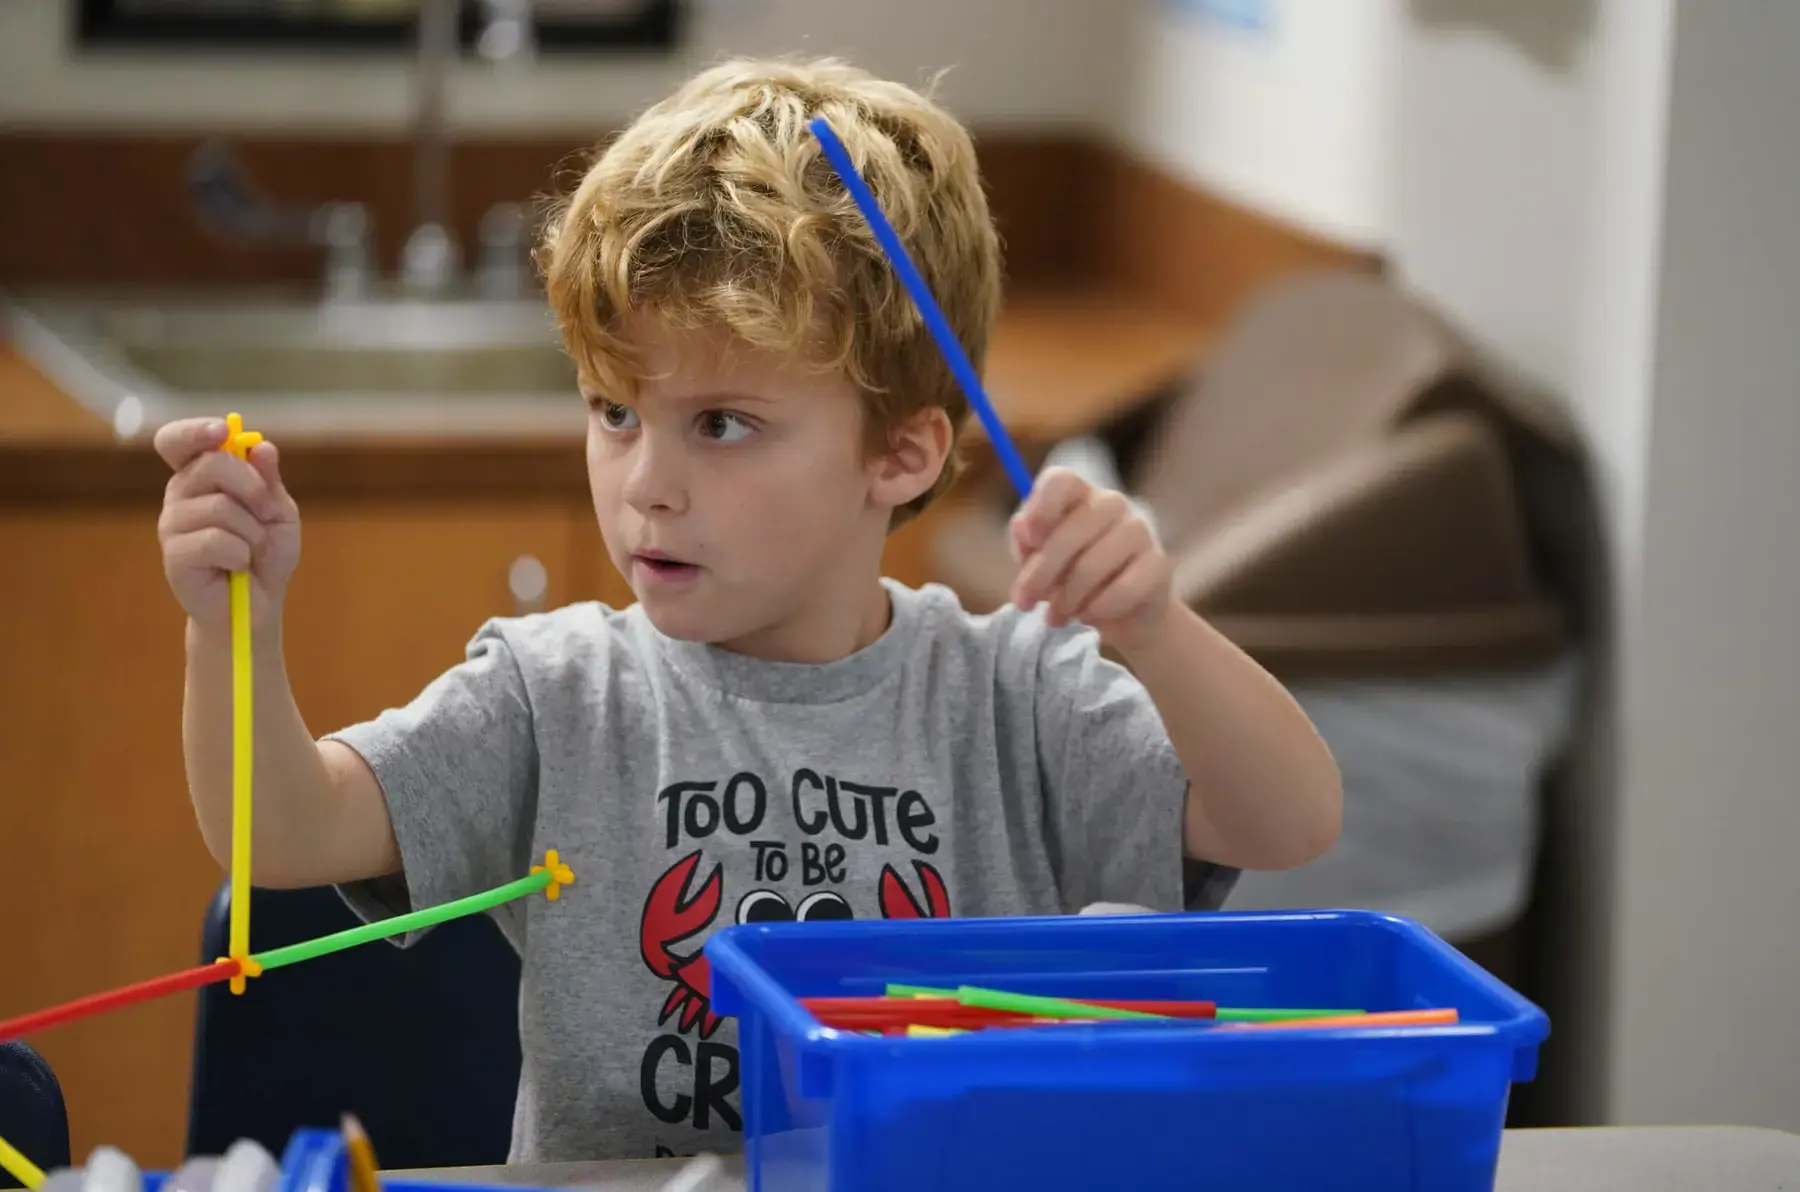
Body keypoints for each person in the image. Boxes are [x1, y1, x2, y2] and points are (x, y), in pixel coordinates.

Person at [152, 57, 1341, 1162]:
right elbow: (281, 830)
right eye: (614, 411)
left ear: (901, 452)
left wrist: (1155, 627)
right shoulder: (553, 690)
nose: (644, 484)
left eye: (720, 424)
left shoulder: (1017, 695)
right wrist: (233, 628)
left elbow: (1289, 820)